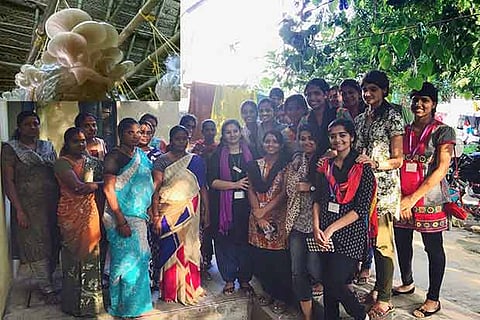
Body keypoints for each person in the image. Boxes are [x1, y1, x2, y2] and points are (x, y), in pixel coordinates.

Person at [393, 82, 454, 318]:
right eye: (416, 99)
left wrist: (412, 198)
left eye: (425, 100)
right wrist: (401, 198)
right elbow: (397, 163)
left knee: (433, 248)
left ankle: (433, 298)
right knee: (402, 240)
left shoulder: (443, 131)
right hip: (403, 195)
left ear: (434, 104)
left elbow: (440, 170)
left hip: (429, 199)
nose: (419, 104)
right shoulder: (404, 131)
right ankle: (407, 282)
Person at [313, 118, 375, 320]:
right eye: (333, 136)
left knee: (335, 281)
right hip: (324, 230)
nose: (337, 140)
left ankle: (360, 315)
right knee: (328, 283)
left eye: (342, 135)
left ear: (351, 137)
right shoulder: (326, 165)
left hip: (350, 233)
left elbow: (361, 209)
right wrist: (317, 227)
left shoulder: (362, 167)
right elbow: (318, 199)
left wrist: (331, 229)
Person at [354, 70, 404, 319]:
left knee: (383, 243)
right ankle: (377, 288)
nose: (368, 94)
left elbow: (398, 160)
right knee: (370, 240)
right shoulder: (362, 118)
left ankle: (385, 298)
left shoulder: (393, 117)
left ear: (384, 90)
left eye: (373, 89)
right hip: (363, 187)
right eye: (365, 89)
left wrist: (375, 163)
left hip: (383, 189)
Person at [1, 110, 59, 304]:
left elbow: (58, 171)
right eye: (28, 124)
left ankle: (49, 280)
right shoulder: (11, 149)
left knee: (53, 241)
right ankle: (47, 288)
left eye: (35, 123)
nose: (33, 127)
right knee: (35, 245)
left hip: (52, 203)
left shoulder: (47, 146)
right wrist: (18, 209)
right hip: (29, 207)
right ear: (19, 127)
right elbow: (8, 181)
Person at [151, 125, 209, 304]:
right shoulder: (161, 161)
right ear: (171, 140)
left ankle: (189, 288)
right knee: (169, 248)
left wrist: (208, 213)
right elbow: (155, 189)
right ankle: (170, 290)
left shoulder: (195, 161)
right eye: (178, 138)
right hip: (168, 209)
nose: (181, 142)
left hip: (190, 210)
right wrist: (154, 215)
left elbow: (202, 188)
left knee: (190, 248)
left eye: (185, 138)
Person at [103, 118, 154, 318]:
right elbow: (108, 190)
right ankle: (122, 306)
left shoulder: (140, 155)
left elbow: (147, 183)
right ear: (120, 134)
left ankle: (138, 306)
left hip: (139, 216)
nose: (136, 136)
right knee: (124, 262)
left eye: (138, 132)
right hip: (120, 216)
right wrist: (121, 220)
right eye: (130, 132)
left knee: (140, 259)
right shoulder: (114, 157)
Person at [54, 127, 103, 316]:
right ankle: (72, 304)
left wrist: (95, 185)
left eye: (83, 141)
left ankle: (90, 305)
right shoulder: (61, 163)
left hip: (90, 212)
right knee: (72, 258)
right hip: (70, 214)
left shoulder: (90, 162)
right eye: (76, 141)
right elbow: (78, 187)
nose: (81, 144)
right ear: (67, 143)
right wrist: (100, 184)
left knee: (91, 255)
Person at [207, 119, 254, 296]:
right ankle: (228, 279)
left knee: (246, 243)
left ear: (240, 132)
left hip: (248, 206)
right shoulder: (217, 155)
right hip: (223, 208)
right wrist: (235, 185)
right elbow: (212, 182)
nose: (232, 135)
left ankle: (244, 279)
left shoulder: (252, 151)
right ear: (223, 135)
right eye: (228, 132)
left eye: (235, 131)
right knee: (225, 243)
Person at [247, 130, 291, 314]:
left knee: (278, 261)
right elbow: (249, 188)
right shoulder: (254, 165)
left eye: (274, 141)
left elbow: (283, 193)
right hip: (256, 217)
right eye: (267, 141)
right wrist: (258, 214)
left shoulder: (286, 166)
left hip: (277, 218)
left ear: (281, 145)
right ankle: (266, 291)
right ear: (262, 143)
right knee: (260, 257)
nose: (270, 144)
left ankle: (281, 296)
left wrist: (264, 211)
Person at [284, 124, 322, 320]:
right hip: (297, 222)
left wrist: (312, 187)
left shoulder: (326, 160)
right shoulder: (297, 161)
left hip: (318, 224)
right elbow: (291, 189)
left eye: (311, 138)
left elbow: (331, 190)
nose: (306, 142)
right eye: (303, 138)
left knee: (315, 268)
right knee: (297, 271)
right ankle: (307, 316)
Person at [191, 119, 219, 275]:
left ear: (215, 131)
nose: (209, 132)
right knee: (202, 223)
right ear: (202, 131)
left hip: (216, 190)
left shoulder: (219, 148)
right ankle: (201, 258)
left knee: (212, 224)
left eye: (212, 129)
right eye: (206, 129)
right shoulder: (197, 148)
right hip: (199, 189)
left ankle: (209, 256)